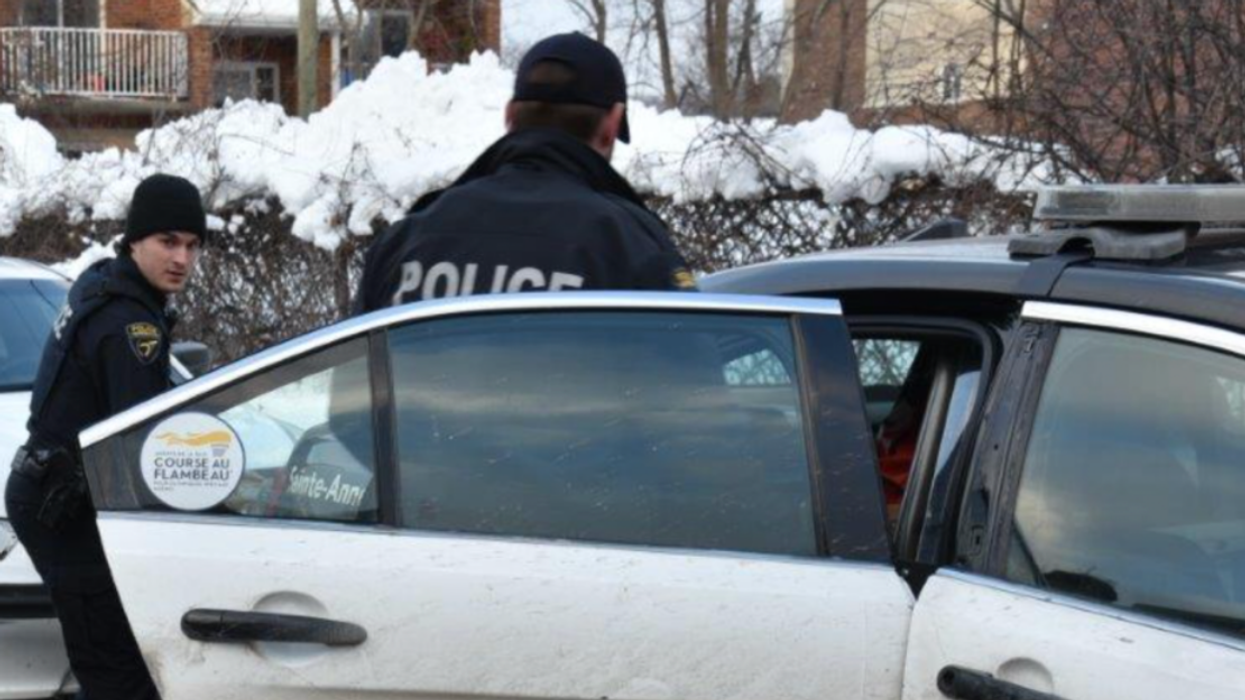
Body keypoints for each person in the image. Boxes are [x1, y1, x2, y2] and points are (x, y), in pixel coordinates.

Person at [4, 173, 207, 700]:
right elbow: (141, 447)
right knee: (118, 674)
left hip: (48, 490)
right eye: (168, 241)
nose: (181, 258)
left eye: (191, 245)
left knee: (108, 663)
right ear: (135, 239)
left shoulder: (101, 283)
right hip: (63, 508)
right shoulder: (128, 326)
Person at [354, 32, 696, 313]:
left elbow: (353, 383)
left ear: (509, 117)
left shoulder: (406, 240)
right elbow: (693, 384)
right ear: (612, 125)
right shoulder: (631, 247)